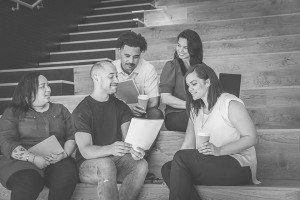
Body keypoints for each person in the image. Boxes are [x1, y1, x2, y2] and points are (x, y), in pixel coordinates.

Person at [161, 63, 259, 200]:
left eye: (194, 84)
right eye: (188, 86)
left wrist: (219, 150)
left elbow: (252, 138)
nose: (190, 89)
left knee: (180, 161)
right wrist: (176, 171)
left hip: (239, 165)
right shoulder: (195, 110)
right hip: (212, 163)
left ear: (207, 82)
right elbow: (187, 146)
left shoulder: (229, 103)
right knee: (168, 168)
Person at [72, 60, 148, 200]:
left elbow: (128, 140)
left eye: (117, 76)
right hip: (88, 166)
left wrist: (135, 151)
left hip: (115, 161)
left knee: (141, 164)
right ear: (96, 78)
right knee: (106, 164)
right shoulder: (82, 111)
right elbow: (85, 151)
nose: (116, 80)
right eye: (111, 76)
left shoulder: (121, 107)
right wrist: (110, 149)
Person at [0, 72, 78, 200]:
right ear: (29, 91)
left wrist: (64, 154)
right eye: (43, 86)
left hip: (56, 159)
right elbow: (6, 141)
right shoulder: (12, 112)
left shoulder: (60, 109)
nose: (48, 89)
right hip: (21, 162)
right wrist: (33, 158)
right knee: (28, 182)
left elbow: (72, 135)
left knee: (66, 176)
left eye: (48, 85)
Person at [112, 31, 163, 119]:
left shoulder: (148, 69)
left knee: (156, 114)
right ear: (119, 50)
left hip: (142, 111)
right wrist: (128, 108)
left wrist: (137, 109)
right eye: (127, 56)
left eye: (136, 57)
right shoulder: (112, 67)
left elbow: (154, 102)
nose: (131, 61)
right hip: (118, 111)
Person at [160, 29, 203, 132]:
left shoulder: (201, 68)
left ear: (194, 49)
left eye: (185, 48)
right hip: (176, 115)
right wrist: (191, 106)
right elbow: (165, 98)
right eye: (179, 45)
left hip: (198, 111)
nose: (180, 50)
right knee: (200, 119)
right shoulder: (171, 66)